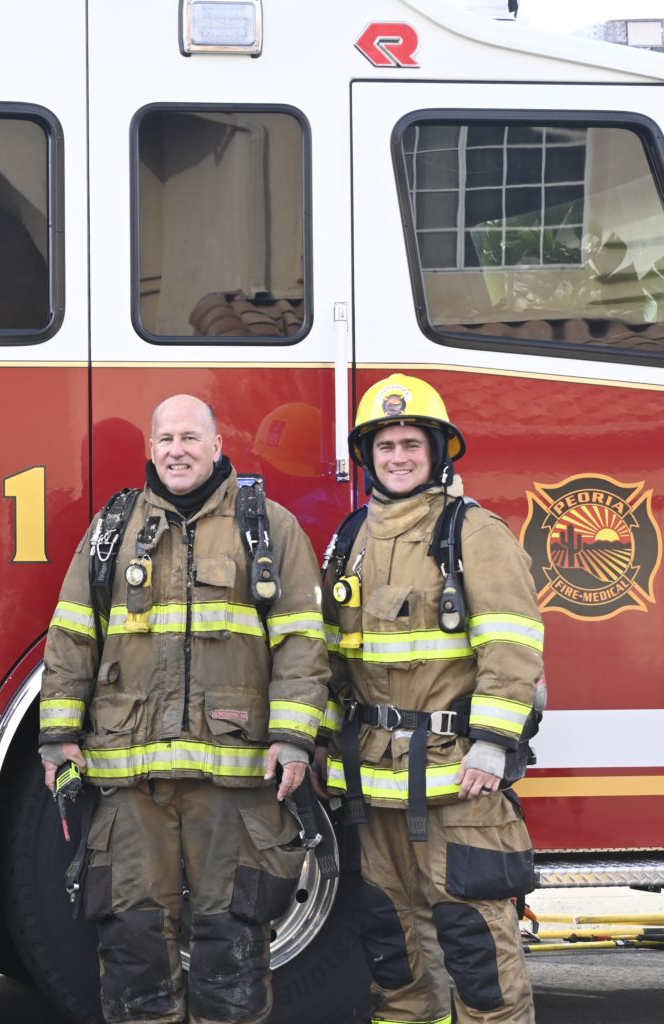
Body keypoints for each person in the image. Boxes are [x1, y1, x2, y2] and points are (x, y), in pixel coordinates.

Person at [39, 394, 330, 1024]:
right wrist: (58, 734)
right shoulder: (113, 528)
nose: (177, 450)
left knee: (233, 940)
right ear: (151, 448)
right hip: (131, 780)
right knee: (131, 939)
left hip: (234, 780)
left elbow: (303, 642)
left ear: (217, 446)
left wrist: (294, 737)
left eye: (191, 438)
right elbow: (72, 635)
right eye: (166, 439)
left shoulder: (269, 527)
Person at [317, 373, 543, 1024]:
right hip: (373, 785)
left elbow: (513, 645)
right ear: (368, 457)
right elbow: (331, 658)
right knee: (393, 951)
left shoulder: (473, 532)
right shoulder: (352, 538)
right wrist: (323, 743)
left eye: (411, 443)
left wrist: (494, 745)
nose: (398, 457)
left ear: (437, 451)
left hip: (458, 781)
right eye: (385, 445)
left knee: (477, 948)